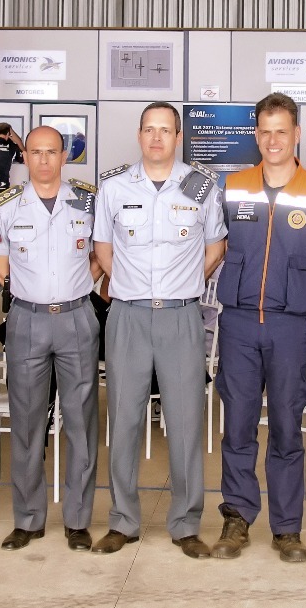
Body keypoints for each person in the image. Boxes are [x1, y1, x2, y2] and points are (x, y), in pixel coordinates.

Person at [210, 93, 306, 564]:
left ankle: (287, 528)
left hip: (291, 328)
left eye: (281, 131)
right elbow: (216, 246)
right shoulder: (233, 188)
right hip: (239, 324)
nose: (272, 141)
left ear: (296, 134)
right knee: (238, 425)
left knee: (287, 426)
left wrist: (291, 294)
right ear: (256, 134)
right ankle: (237, 518)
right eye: (265, 132)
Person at [91, 102, 225, 558]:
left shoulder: (202, 186)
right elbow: (103, 250)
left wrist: (182, 286)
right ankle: (123, 522)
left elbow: (215, 247)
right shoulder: (113, 187)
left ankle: (186, 524)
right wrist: (132, 287)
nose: (156, 137)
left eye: (165, 130)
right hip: (127, 316)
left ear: (178, 136)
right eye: (149, 129)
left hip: (181, 316)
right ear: (139, 134)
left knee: (185, 422)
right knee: (124, 418)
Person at [0, 126, 102, 553]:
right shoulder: (5, 206)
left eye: (52, 152)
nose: (44, 160)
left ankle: (77, 520)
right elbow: (1, 264)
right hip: (27, 321)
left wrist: (80, 285)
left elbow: (100, 254)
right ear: (26, 156)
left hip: (76, 317)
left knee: (81, 422)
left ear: (64, 156)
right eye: (35, 152)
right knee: (27, 421)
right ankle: (28, 519)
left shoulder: (88, 201)